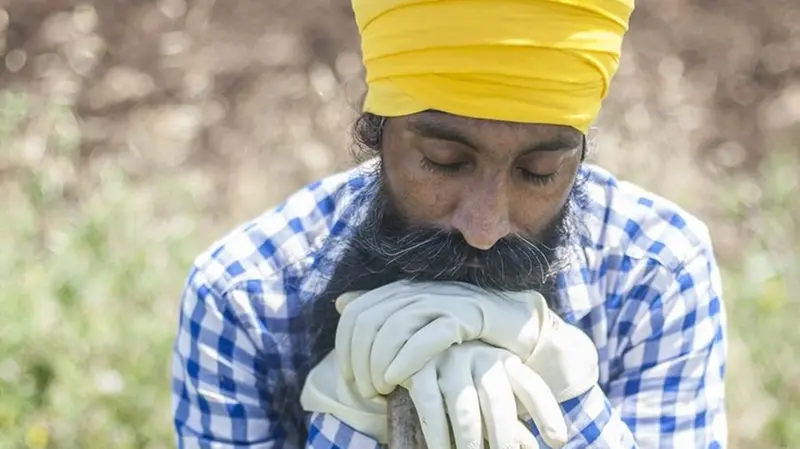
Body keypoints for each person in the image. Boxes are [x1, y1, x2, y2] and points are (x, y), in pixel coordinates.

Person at [170, 0, 728, 447]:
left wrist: (568, 400)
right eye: (444, 161)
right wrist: (353, 414)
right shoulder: (242, 297)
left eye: (537, 173)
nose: (484, 227)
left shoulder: (655, 270)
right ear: (377, 132)